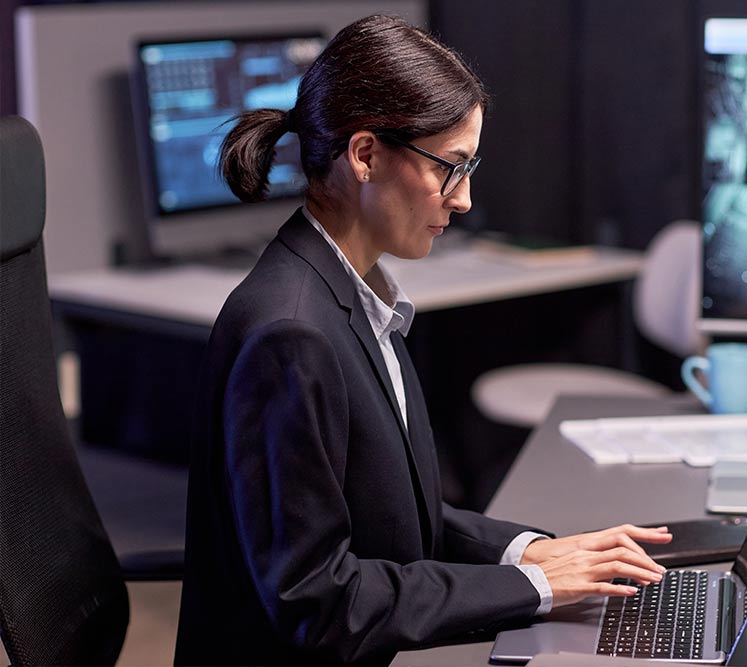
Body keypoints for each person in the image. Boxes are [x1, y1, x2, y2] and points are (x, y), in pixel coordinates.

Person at [174, 15, 672, 667]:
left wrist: (530, 553)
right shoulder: (291, 334)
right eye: (450, 168)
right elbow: (318, 602)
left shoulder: (354, 294)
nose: (463, 199)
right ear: (365, 155)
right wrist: (535, 588)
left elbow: (391, 517)